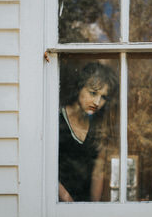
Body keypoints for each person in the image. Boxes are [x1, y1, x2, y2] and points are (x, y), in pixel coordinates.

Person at [58, 61, 118, 202]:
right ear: (80, 87)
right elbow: (46, 167)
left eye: (103, 97)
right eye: (93, 93)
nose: (97, 102)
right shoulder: (56, 120)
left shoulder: (98, 125)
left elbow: (98, 171)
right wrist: (67, 200)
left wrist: (92, 209)